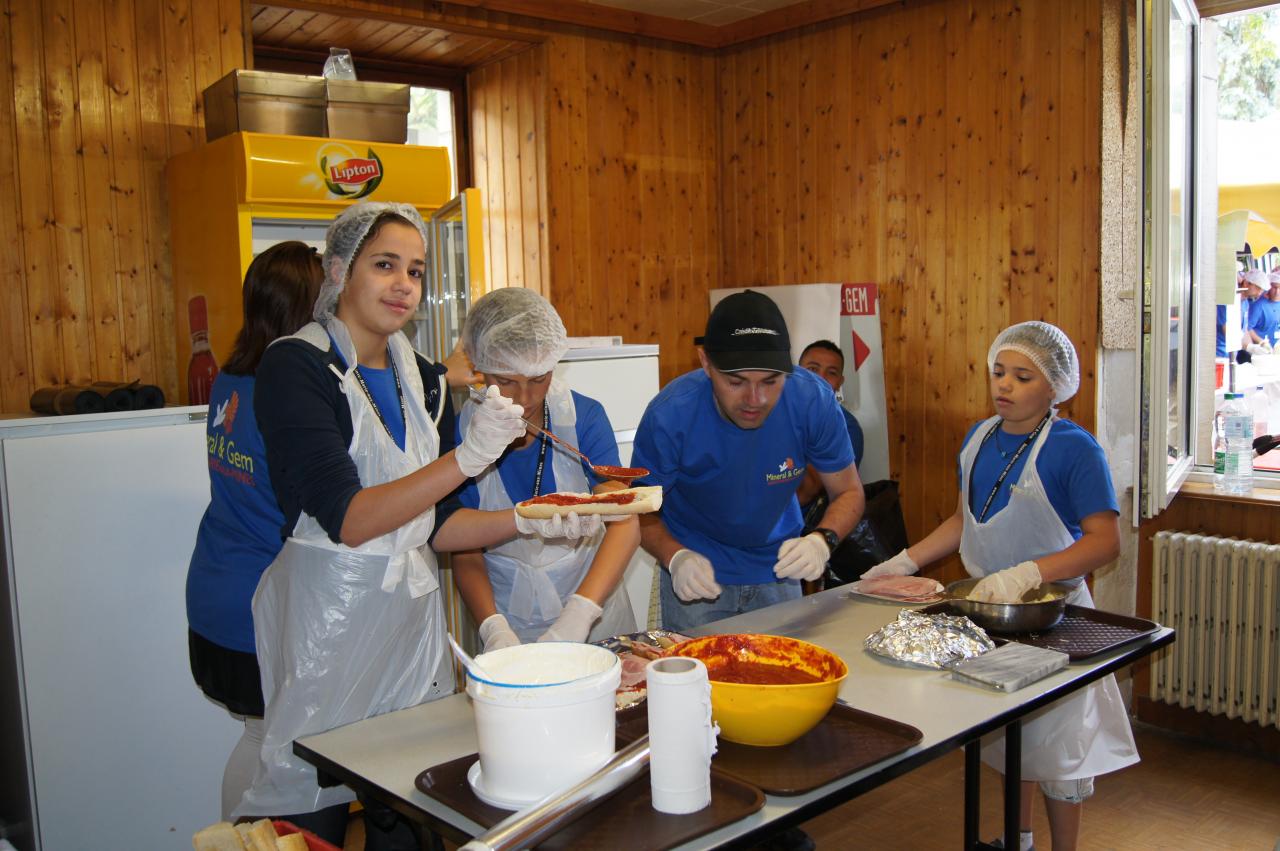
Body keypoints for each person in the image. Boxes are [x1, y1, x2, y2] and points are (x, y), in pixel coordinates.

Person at [234, 202, 590, 847]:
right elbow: (349, 518)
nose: (404, 284)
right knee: (309, 794)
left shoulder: (418, 378)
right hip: (328, 620)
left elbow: (434, 527)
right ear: (340, 271)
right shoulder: (296, 367)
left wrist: (526, 518)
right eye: (385, 265)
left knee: (407, 793)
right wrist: (469, 457)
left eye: (417, 271)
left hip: (407, 618)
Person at [862, 320, 1137, 851]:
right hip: (989, 614)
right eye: (998, 372)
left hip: (1055, 618)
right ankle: (1020, 838)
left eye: (1022, 376)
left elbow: (1105, 542)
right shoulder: (978, 438)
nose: (1004, 385)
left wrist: (1030, 573)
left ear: (1054, 385)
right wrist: (903, 561)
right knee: (1014, 736)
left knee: (1059, 751)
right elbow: (964, 520)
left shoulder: (1074, 450)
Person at [631, 290, 866, 633]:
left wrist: (821, 540)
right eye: (736, 382)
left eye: (771, 382)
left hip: (779, 568)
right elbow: (638, 509)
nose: (755, 399)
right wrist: (675, 557)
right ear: (706, 362)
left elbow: (849, 492)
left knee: (781, 680)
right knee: (702, 683)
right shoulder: (671, 415)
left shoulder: (812, 401)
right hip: (698, 578)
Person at [185, 242, 322, 820]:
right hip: (257, 609)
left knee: (257, 736)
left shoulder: (230, 379)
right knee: (270, 744)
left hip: (214, 592)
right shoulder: (285, 391)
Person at [452, 288, 641, 651]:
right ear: (479, 367)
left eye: (538, 379)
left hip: (594, 610)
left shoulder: (581, 417)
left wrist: (580, 614)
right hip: (509, 619)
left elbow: (624, 518)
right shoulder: (461, 434)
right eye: (506, 381)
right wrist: (493, 629)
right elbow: (463, 548)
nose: (524, 398)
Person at [794, 339, 865, 511]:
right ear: (795, 372)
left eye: (831, 373)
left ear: (840, 382)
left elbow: (804, 493)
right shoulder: (771, 410)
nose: (820, 378)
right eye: (812, 369)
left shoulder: (848, 428)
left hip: (804, 531)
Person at [1248, 270, 1280, 348]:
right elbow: (1247, 328)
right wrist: (1261, 342)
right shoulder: (1259, 305)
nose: (1277, 292)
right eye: (1275, 288)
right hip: (1261, 350)